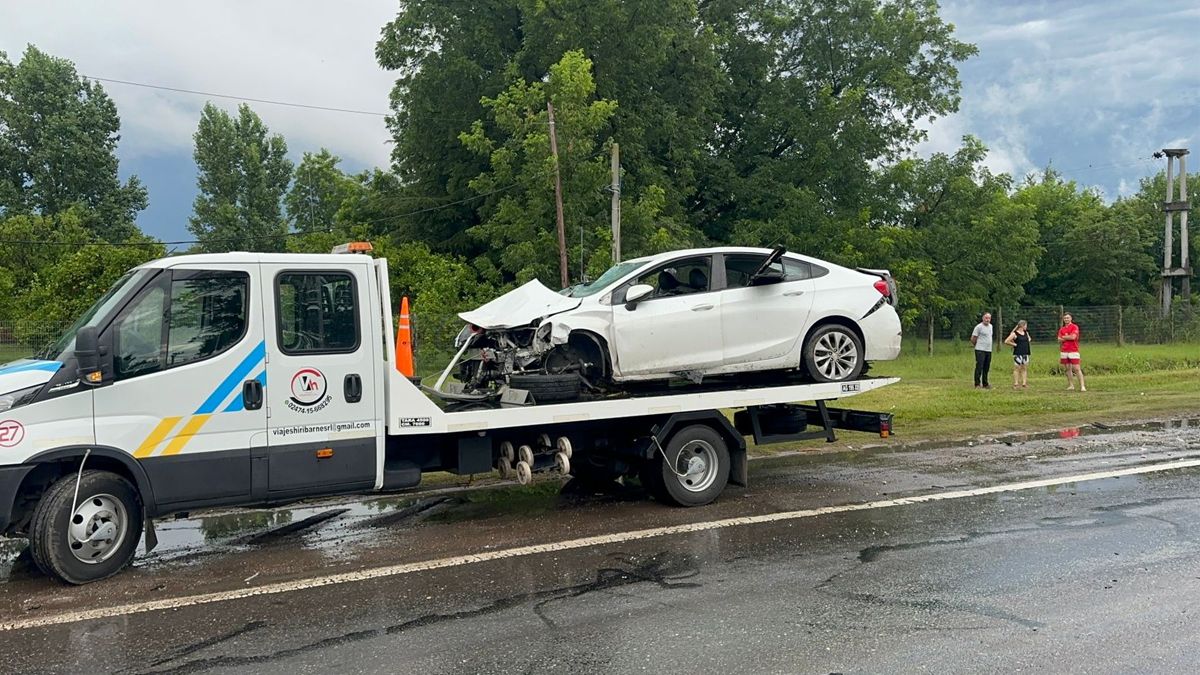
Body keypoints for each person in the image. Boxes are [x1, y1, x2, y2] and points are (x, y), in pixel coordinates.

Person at [1057, 312, 1086, 392]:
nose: (1066, 319)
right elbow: (1059, 339)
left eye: (1068, 318)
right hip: (1064, 350)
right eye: (1065, 318)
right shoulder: (1062, 329)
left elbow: (1073, 337)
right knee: (1067, 369)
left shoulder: (1074, 327)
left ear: (1071, 318)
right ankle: (1071, 385)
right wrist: (1067, 337)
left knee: (1076, 368)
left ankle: (1082, 386)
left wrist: (1064, 337)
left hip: (1073, 350)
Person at [1004, 319, 1031, 389]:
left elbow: (1029, 339)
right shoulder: (1015, 333)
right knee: (1017, 368)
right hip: (1018, 353)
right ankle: (1016, 383)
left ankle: (1024, 383)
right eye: (1025, 325)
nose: (1026, 327)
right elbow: (1006, 341)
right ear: (1022, 325)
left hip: (1025, 352)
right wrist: (1014, 344)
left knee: (1024, 368)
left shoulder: (1026, 333)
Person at [970, 312, 994, 388]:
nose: (987, 320)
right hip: (980, 349)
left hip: (988, 350)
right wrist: (976, 345)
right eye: (986, 318)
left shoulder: (991, 326)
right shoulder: (978, 327)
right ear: (983, 318)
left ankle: (985, 383)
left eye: (989, 318)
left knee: (986, 367)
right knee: (979, 366)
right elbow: (973, 338)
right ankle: (977, 384)